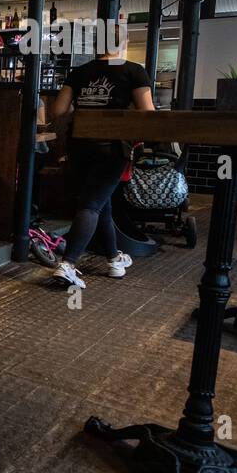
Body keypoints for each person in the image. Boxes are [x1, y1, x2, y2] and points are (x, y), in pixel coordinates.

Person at [47, 33, 154, 289]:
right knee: (91, 204)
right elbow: (148, 114)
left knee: (99, 203)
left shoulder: (80, 71)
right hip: (113, 146)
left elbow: (58, 110)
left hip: (80, 145)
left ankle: (114, 259)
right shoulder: (134, 71)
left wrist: (84, 109)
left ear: (97, 46)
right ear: (124, 45)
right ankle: (68, 264)